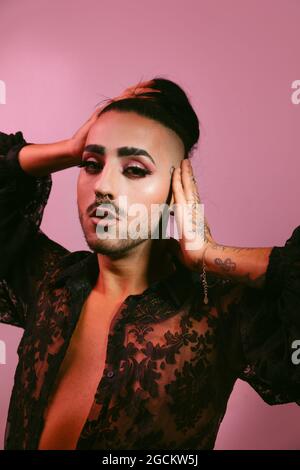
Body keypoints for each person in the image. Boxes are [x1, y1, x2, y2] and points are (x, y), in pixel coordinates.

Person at [0, 77, 299, 450]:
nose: (103, 185)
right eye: (91, 164)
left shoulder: (223, 311)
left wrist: (209, 255)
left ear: (177, 192)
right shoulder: (51, 281)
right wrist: (68, 147)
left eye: (135, 169)